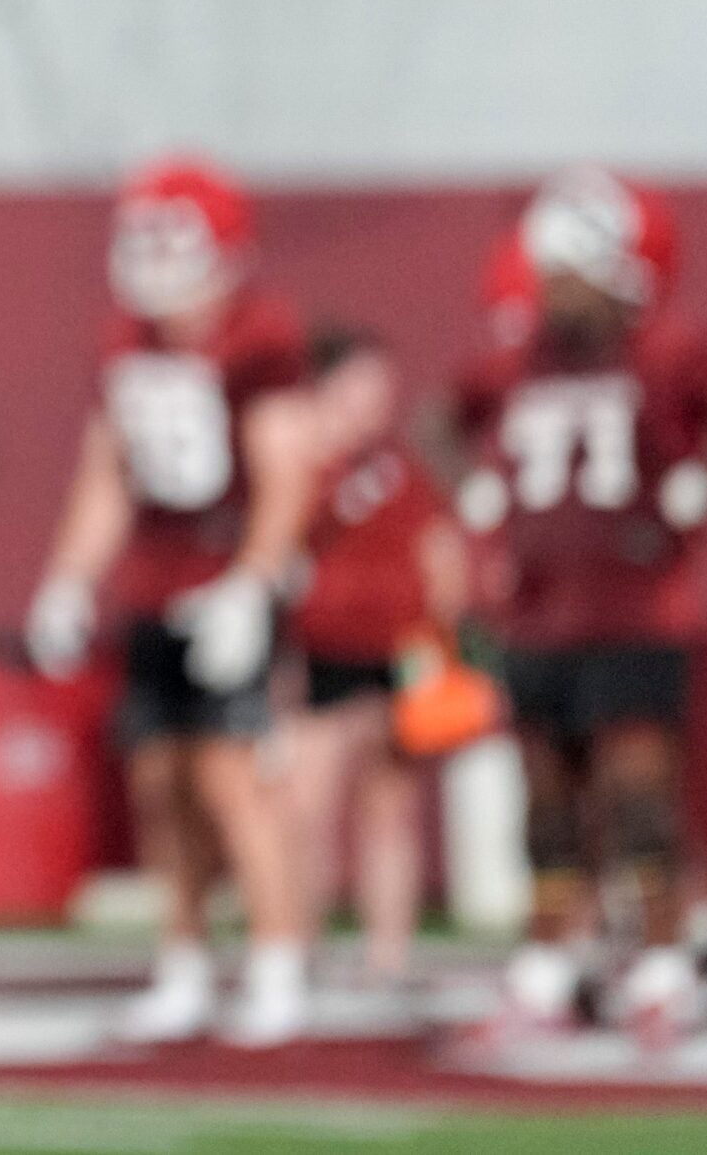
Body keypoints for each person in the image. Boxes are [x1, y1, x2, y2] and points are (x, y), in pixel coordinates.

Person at [427, 168, 707, 1047]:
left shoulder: (669, 351)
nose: (551, 284)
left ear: (617, 268)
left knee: (640, 798)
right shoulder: (513, 360)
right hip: (540, 611)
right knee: (548, 809)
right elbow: (437, 420)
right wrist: (478, 492)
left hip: (638, 610)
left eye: (569, 266)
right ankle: (551, 969)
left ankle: (669, 971)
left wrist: (701, 487)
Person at [24, 158, 317, 1048]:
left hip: (227, 585)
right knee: (160, 785)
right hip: (155, 586)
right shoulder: (126, 341)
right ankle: (185, 963)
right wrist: (68, 578)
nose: (152, 260)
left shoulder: (260, 338)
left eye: (171, 239)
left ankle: (276, 964)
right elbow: (106, 473)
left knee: (235, 785)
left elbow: (288, 469)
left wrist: (254, 584)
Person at [281, 325, 467, 998]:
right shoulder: (295, 461)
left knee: (389, 809)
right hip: (319, 653)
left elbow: (439, 546)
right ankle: (296, 946)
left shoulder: (400, 468)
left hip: (396, 654)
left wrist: (444, 642)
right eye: (360, 386)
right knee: (305, 806)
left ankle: (388, 955)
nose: (374, 402)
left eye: (381, 388)